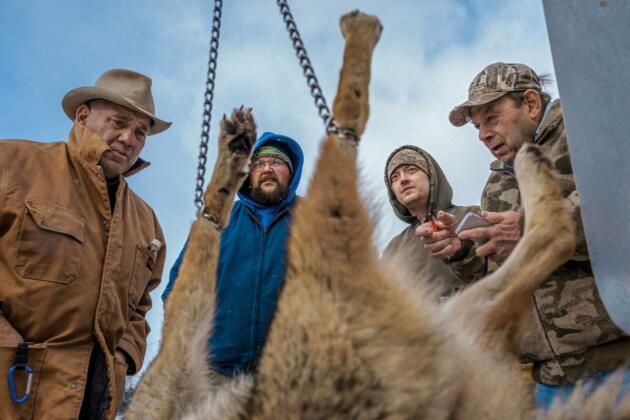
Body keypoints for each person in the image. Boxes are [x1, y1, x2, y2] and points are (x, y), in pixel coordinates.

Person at [417, 62, 630, 407]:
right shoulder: (496, 185)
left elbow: (617, 206)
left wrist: (531, 227)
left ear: (530, 104)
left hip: (618, 360)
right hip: (549, 383)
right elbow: (501, 274)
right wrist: (463, 251)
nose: (483, 134)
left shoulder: (589, 134)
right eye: (476, 126)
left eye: (491, 118)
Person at [0, 69, 169, 419]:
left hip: (88, 404)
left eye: (141, 132)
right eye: (118, 122)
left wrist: (123, 358)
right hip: (10, 389)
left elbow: (139, 307)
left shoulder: (146, 222)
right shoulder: (12, 165)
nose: (128, 138)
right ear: (82, 116)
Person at [163, 131, 304, 377]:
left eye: (277, 162)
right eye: (259, 163)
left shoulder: (312, 218)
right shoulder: (219, 220)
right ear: (248, 174)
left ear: (292, 173)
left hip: (291, 375)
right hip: (216, 372)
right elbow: (179, 286)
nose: (268, 168)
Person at [381, 145, 479, 299]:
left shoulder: (473, 216)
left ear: (432, 176)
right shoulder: (393, 249)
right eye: (395, 177)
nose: (403, 180)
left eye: (411, 170)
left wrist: (461, 250)